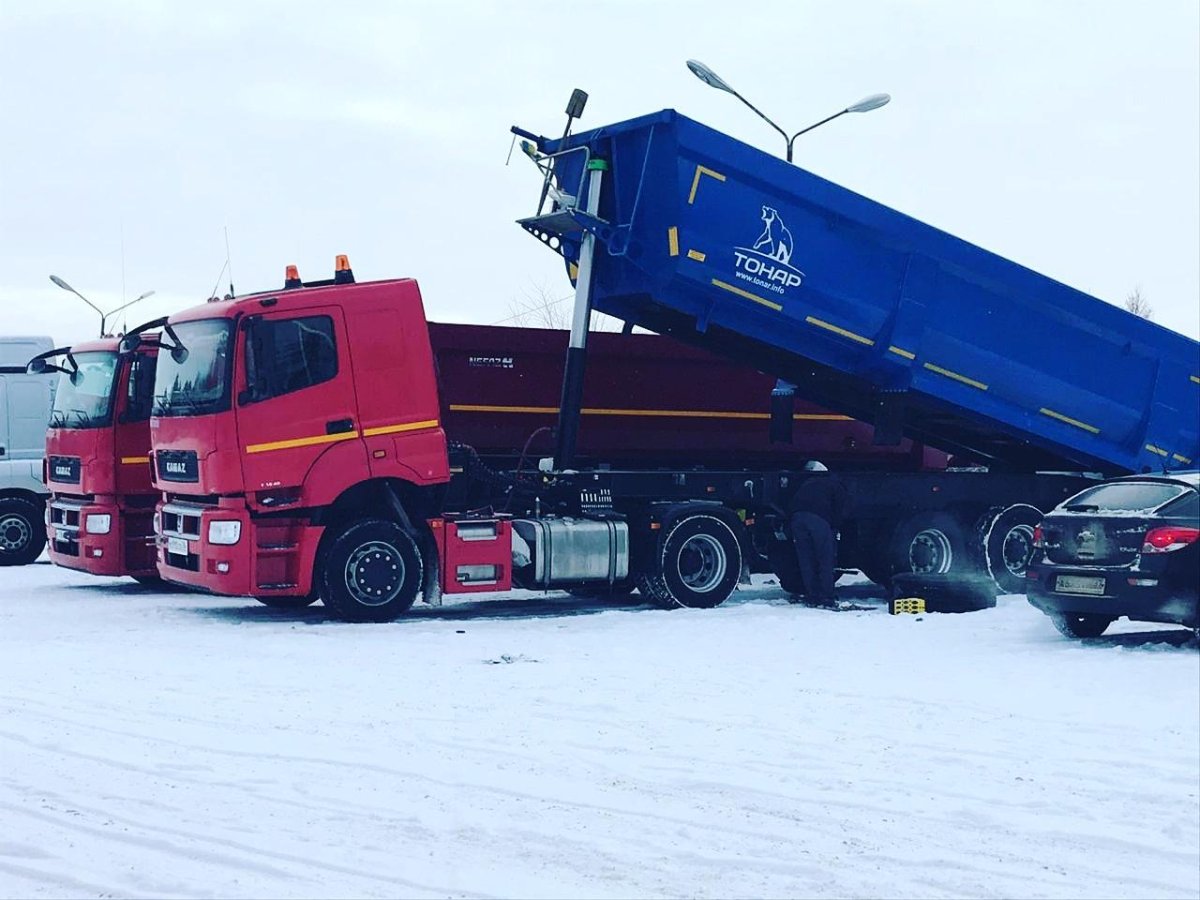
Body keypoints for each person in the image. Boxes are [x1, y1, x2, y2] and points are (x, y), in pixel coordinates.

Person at [787, 460, 849, 607]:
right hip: (818, 519)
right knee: (825, 559)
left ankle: (813, 595)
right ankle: (826, 597)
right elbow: (841, 508)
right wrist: (836, 526)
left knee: (806, 559)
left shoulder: (806, 484)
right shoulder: (834, 483)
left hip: (797, 519)